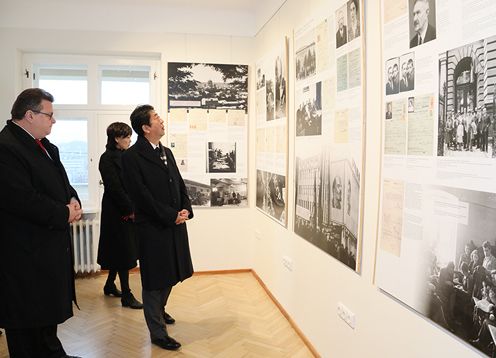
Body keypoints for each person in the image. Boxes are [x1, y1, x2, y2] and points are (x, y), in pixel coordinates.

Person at [0, 88, 83, 358]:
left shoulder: (46, 146)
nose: (53, 121)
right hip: (24, 254)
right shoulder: (6, 148)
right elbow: (22, 199)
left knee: (45, 319)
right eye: (49, 115)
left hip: (46, 250)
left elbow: (63, 184)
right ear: (29, 115)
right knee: (26, 326)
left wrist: (73, 200)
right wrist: (64, 213)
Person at [122, 105, 194, 351]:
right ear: (145, 127)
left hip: (174, 224)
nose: (161, 120)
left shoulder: (167, 152)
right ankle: (157, 333)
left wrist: (185, 209)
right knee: (154, 281)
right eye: (156, 118)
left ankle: (158, 312)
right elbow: (141, 196)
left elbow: (179, 183)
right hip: (153, 227)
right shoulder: (131, 157)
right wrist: (170, 215)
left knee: (172, 274)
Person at [97, 122, 143, 309]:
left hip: (127, 207)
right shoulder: (106, 158)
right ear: (117, 138)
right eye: (126, 137)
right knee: (123, 251)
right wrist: (130, 210)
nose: (129, 140)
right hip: (117, 210)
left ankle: (109, 284)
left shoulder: (126, 156)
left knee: (120, 249)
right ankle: (126, 294)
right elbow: (115, 188)